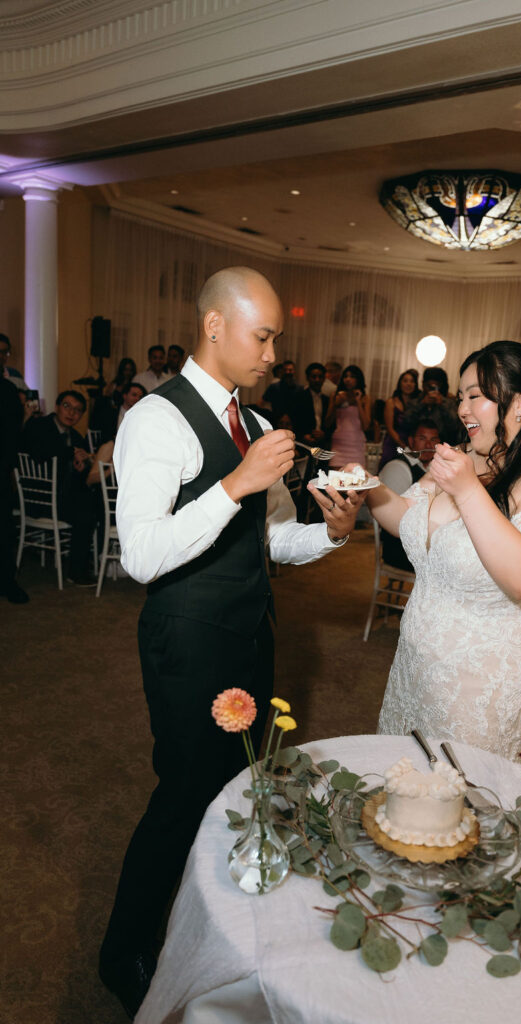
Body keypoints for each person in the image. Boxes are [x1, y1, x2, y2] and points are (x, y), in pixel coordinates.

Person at [99, 266, 364, 1018]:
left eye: (276, 335)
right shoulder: (156, 418)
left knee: (234, 792)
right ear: (214, 326)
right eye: (264, 334)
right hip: (186, 642)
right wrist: (236, 485)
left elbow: (271, 540)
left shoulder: (248, 422)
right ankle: (122, 950)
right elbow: (141, 555)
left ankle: (205, 930)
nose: (275, 350)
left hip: (249, 636)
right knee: (183, 796)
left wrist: (331, 535)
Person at [363, 340, 521, 759]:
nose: (462, 409)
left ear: (520, 403)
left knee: (457, 800)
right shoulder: (465, 456)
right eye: (460, 397)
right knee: (401, 782)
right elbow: (407, 518)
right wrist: (367, 488)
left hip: (482, 678)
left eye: (475, 397)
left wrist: (467, 491)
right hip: (416, 661)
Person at [21, 390, 99, 585]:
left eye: (78, 410)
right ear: (56, 407)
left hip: (63, 496)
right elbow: (38, 453)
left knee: (94, 505)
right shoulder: (39, 426)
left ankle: (89, 561)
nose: (71, 413)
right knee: (86, 512)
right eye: (67, 406)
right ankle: (76, 571)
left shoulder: (76, 436)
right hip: (37, 498)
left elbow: (74, 472)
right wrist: (70, 453)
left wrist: (80, 467)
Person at [379, 419, 440, 572]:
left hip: (427, 543)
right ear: (411, 441)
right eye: (422, 439)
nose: (428, 446)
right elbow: (398, 521)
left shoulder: (434, 467)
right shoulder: (397, 467)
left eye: (433, 440)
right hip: (400, 550)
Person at [0, 376, 28, 603]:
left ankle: (7, 581)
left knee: (4, 528)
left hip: (2, 466)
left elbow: (13, 431)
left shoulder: (8, 388)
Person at [325, 364, 372, 468]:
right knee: (336, 482)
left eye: (352, 376)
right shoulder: (335, 395)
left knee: (357, 481)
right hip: (339, 445)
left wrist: (358, 402)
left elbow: (366, 426)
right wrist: (335, 405)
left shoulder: (364, 398)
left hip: (356, 445)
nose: (348, 379)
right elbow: (327, 423)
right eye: (346, 376)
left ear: (358, 379)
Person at [408, 366, 464, 445]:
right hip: (418, 446)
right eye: (429, 386)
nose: (432, 389)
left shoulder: (449, 403)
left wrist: (442, 405)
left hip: (443, 445)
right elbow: (406, 424)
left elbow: (454, 427)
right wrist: (422, 404)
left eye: (435, 386)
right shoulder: (415, 402)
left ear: (440, 386)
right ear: (423, 384)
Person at [379, 369, 421, 468]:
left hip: (411, 445)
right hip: (393, 444)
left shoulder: (417, 403)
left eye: (412, 381)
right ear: (400, 383)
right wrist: (403, 446)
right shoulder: (391, 402)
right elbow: (389, 429)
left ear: (415, 385)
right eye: (405, 381)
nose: (408, 384)